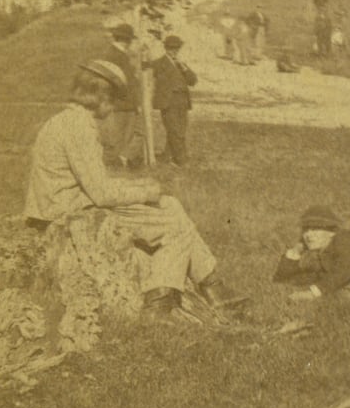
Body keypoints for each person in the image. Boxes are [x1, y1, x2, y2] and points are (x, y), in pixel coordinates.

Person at [24, 59, 232, 317]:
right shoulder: (78, 127)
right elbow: (101, 194)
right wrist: (146, 192)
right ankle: (161, 300)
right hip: (68, 212)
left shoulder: (66, 120)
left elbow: (90, 180)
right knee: (177, 227)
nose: (113, 108)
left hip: (65, 203)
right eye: (113, 100)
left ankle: (213, 287)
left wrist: (138, 186)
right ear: (100, 95)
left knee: (171, 205)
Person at [99, 23, 142, 167]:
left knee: (126, 135)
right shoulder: (112, 55)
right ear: (127, 40)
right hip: (120, 102)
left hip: (126, 102)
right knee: (118, 137)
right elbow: (110, 80)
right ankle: (110, 163)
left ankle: (118, 163)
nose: (129, 43)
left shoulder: (120, 54)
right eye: (128, 40)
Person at [151, 35, 197, 166]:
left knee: (181, 129)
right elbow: (145, 69)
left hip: (182, 101)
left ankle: (167, 157)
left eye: (177, 48)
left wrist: (185, 69)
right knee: (174, 130)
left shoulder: (181, 64)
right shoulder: (158, 63)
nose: (174, 51)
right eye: (171, 48)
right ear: (166, 48)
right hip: (168, 102)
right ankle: (181, 160)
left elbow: (193, 81)